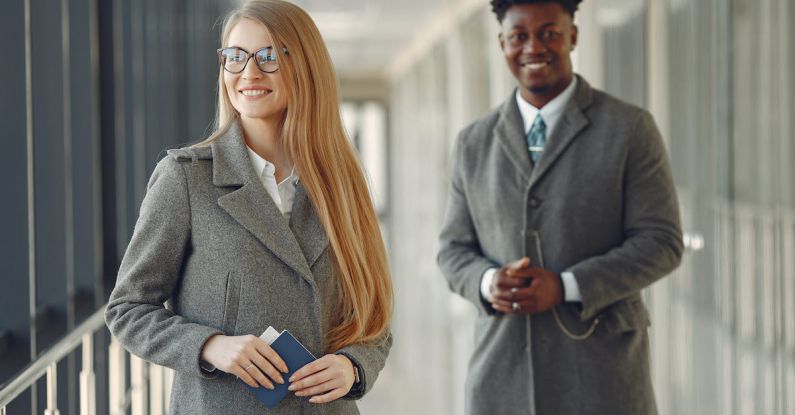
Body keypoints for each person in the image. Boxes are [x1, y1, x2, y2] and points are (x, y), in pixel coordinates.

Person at [105, 1, 393, 413]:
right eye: (235, 57)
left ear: (306, 66)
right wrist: (210, 346)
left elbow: (374, 323)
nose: (249, 73)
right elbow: (127, 310)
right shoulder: (186, 178)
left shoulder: (342, 186)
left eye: (269, 57)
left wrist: (354, 367)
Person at [437, 0, 683, 414]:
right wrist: (487, 281)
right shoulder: (473, 143)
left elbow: (662, 242)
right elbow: (453, 250)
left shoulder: (629, 129)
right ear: (502, 43)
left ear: (573, 35)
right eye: (519, 36)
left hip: (601, 375)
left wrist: (568, 286)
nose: (534, 47)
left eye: (549, 32)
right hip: (502, 378)